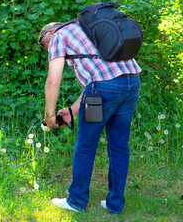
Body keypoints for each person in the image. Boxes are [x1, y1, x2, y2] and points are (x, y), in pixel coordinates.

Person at [38, 21, 142, 214]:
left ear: (50, 34)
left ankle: (76, 201)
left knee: (86, 145)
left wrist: (50, 115)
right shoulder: (88, 27)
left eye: (47, 47)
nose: (50, 51)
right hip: (131, 82)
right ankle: (115, 204)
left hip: (104, 89)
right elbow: (97, 77)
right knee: (119, 146)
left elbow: (53, 81)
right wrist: (73, 111)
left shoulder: (59, 37)